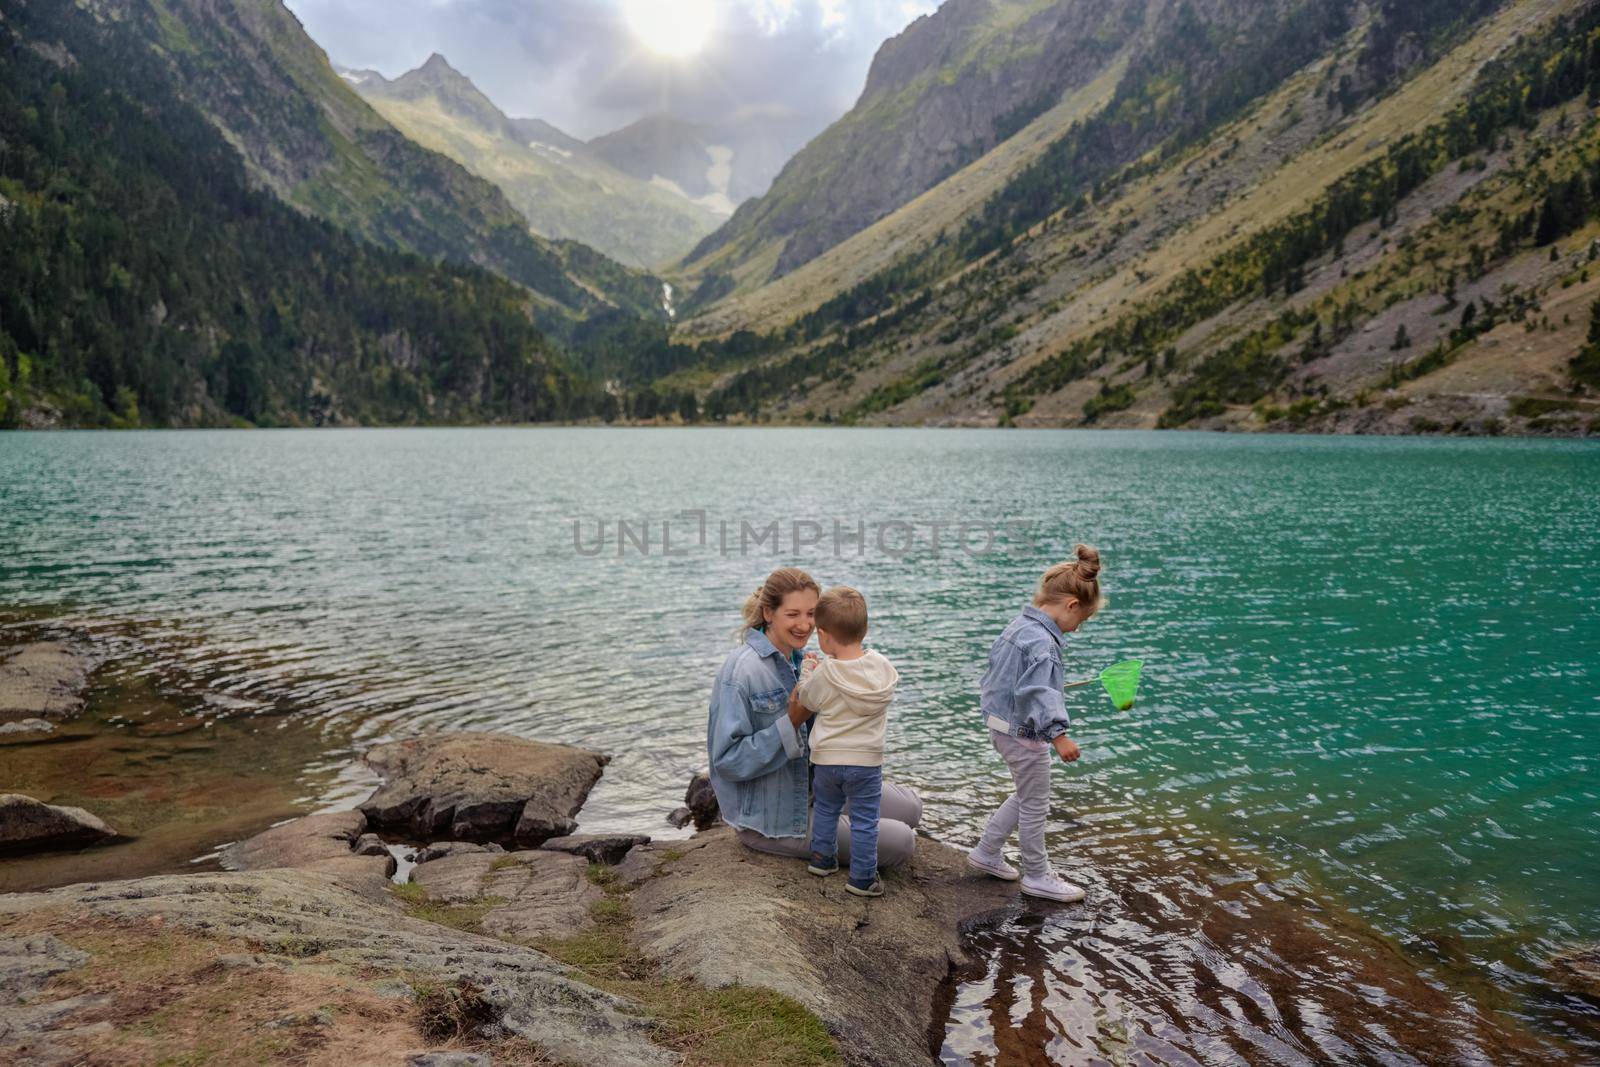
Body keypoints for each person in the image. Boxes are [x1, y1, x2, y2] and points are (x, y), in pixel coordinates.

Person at [706, 567, 921, 868]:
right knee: (901, 842)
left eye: (811, 614)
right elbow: (727, 762)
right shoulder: (742, 671)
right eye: (793, 614)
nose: (804, 625)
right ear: (769, 612)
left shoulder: (802, 660)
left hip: (816, 787)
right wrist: (790, 721)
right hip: (775, 817)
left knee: (912, 807)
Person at [967, 544, 1106, 902]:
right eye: (1081, 621)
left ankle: (987, 852)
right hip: (1025, 734)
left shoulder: (1018, 627)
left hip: (1000, 724)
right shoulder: (1044, 644)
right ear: (1071, 606)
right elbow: (1040, 692)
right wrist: (1059, 735)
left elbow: (1004, 677)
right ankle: (1037, 874)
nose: (1076, 630)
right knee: (1036, 804)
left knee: (1027, 794)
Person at [797, 586, 897, 897]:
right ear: (864, 629)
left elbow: (806, 699)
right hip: (866, 762)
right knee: (865, 820)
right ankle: (862, 878)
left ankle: (822, 859)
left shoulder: (826, 673)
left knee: (827, 809)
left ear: (823, 635)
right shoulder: (882, 668)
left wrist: (807, 670)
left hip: (827, 759)